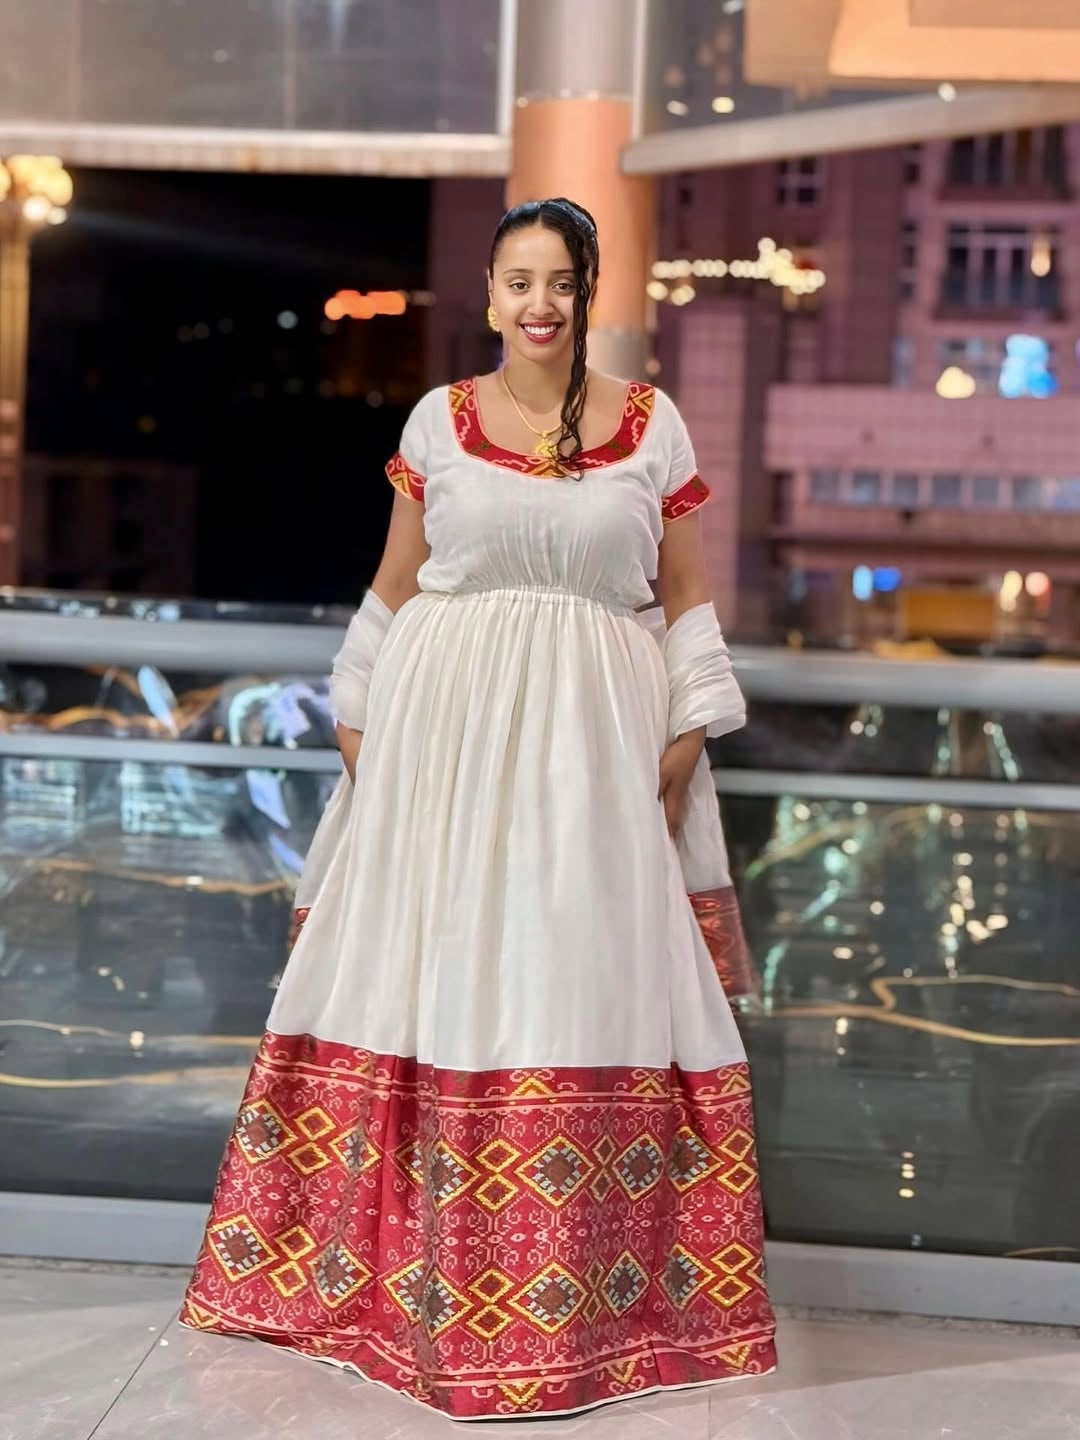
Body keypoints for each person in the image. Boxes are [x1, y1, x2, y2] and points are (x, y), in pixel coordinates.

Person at [181, 197, 777, 1421]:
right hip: (442, 751)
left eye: (560, 281)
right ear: (493, 294)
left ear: (588, 293)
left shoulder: (653, 423)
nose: (539, 303)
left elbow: (685, 600)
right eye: (518, 281)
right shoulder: (436, 421)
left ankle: (587, 1315)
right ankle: (401, 1299)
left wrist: (677, 749)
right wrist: (362, 730)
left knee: (576, 985)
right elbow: (395, 586)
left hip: (595, 755)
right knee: (438, 980)